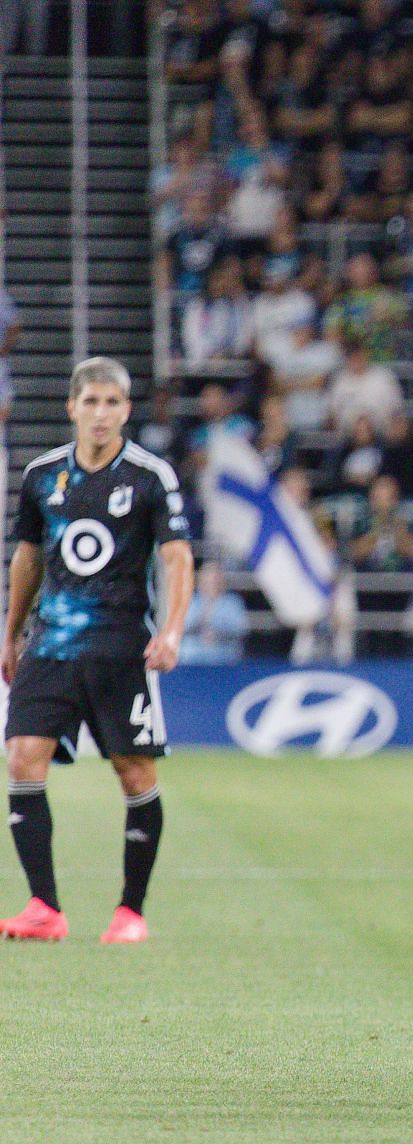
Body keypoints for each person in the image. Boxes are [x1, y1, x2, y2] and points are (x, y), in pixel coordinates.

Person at [1, 359, 194, 944]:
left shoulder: (149, 475)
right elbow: (28, 559)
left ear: (127, 410)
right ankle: (44, 907)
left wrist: (173, 630)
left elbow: (177, 556)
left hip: (121, 651)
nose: (101, 413)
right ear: (72, 408)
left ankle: (130, 912)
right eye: (91, 402)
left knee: (134, 774)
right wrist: (11, 634)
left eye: (113, 402)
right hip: (50, 647)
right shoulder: (41, 476)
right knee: (22, 758)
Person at [179, 561, 248, 665]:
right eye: (208, 579)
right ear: (200, 580)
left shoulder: (233, 603)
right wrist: (200, 623)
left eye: (216, 579)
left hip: (224, 660)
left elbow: (240, 631)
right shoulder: (190, 602)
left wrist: (218, 635)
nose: (212, 583)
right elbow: (181, 628)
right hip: (191, 661)